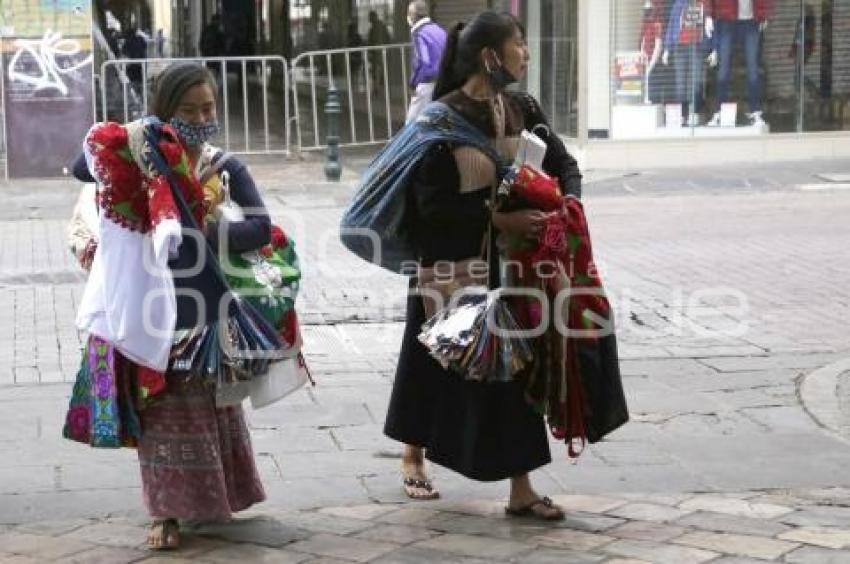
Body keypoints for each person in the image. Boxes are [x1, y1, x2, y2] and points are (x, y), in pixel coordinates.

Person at [65, 62, 274, 550]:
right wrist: (141, 135)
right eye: (189, 110)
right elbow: (82, 165)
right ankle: (164, 513)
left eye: (209, 108)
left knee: (206, 409)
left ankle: (213, 498)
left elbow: (261, 228)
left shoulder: (224, 169)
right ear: (164, 112)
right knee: (157, 410)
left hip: (204, 311)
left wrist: (205, 232)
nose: (202, 118)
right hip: (146, 309)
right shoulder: (143, 151)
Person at [382, 11, 582, 518]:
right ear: (490, 56)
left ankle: (522, 489)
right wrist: (500, 219)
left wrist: (568, 206)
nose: (527, 53)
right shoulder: (439, 121)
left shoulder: (521, 108)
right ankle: (413, 452)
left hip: (509, 272)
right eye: (520, 44)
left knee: (510, 372)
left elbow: (565, 166)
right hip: (448, 272)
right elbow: (430, 207)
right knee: (429, 364)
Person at [405, 1, 447, 122]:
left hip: (427, 82)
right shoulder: (439, 30)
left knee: (411, 123)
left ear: (414, 15)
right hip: (443, 81)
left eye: (409, 13)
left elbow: (422, 61)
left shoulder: (419, 34)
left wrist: (413, 83)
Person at [367, 11, 391, 91]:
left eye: (370, 17)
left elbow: (370, 42)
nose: (369, 19)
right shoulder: (380, 27)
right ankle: (378, 87)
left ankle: (377, 87)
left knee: (377, 70)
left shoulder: (375, 28)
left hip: (378, 53)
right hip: (380, 52)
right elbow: (388, 38)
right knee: (379, 70)